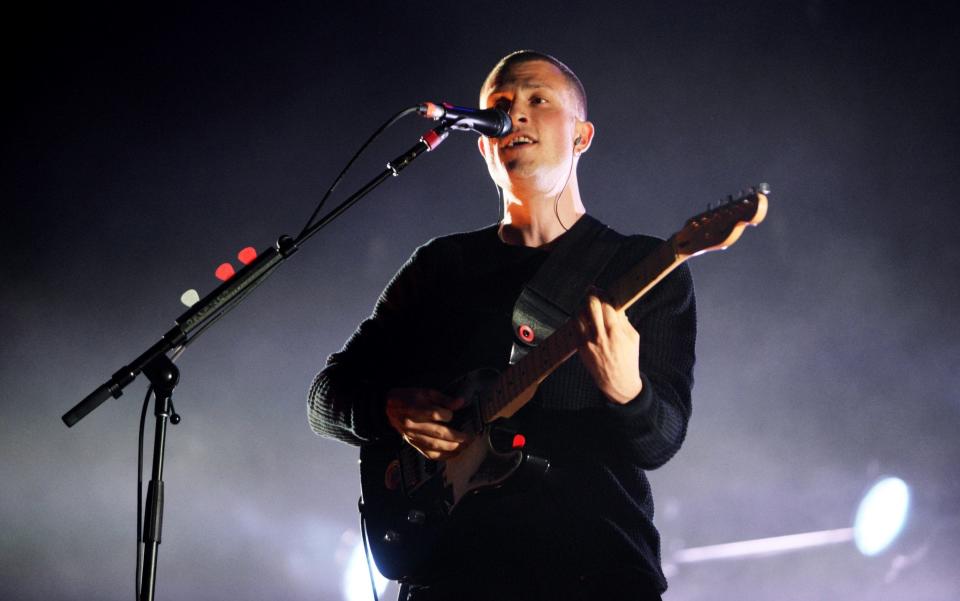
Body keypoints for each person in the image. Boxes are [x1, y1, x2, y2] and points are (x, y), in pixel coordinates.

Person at [308, 50, 696, 601]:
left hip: (595, 572)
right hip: (450, 576)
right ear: (483, 141)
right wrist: (391, 408)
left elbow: (660, 441)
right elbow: (326, 397)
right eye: (500, 105)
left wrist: (626, 389)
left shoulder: (642, 268)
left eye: (539, 100)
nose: (516, 115)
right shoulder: (442, 266)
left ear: (582, 136)